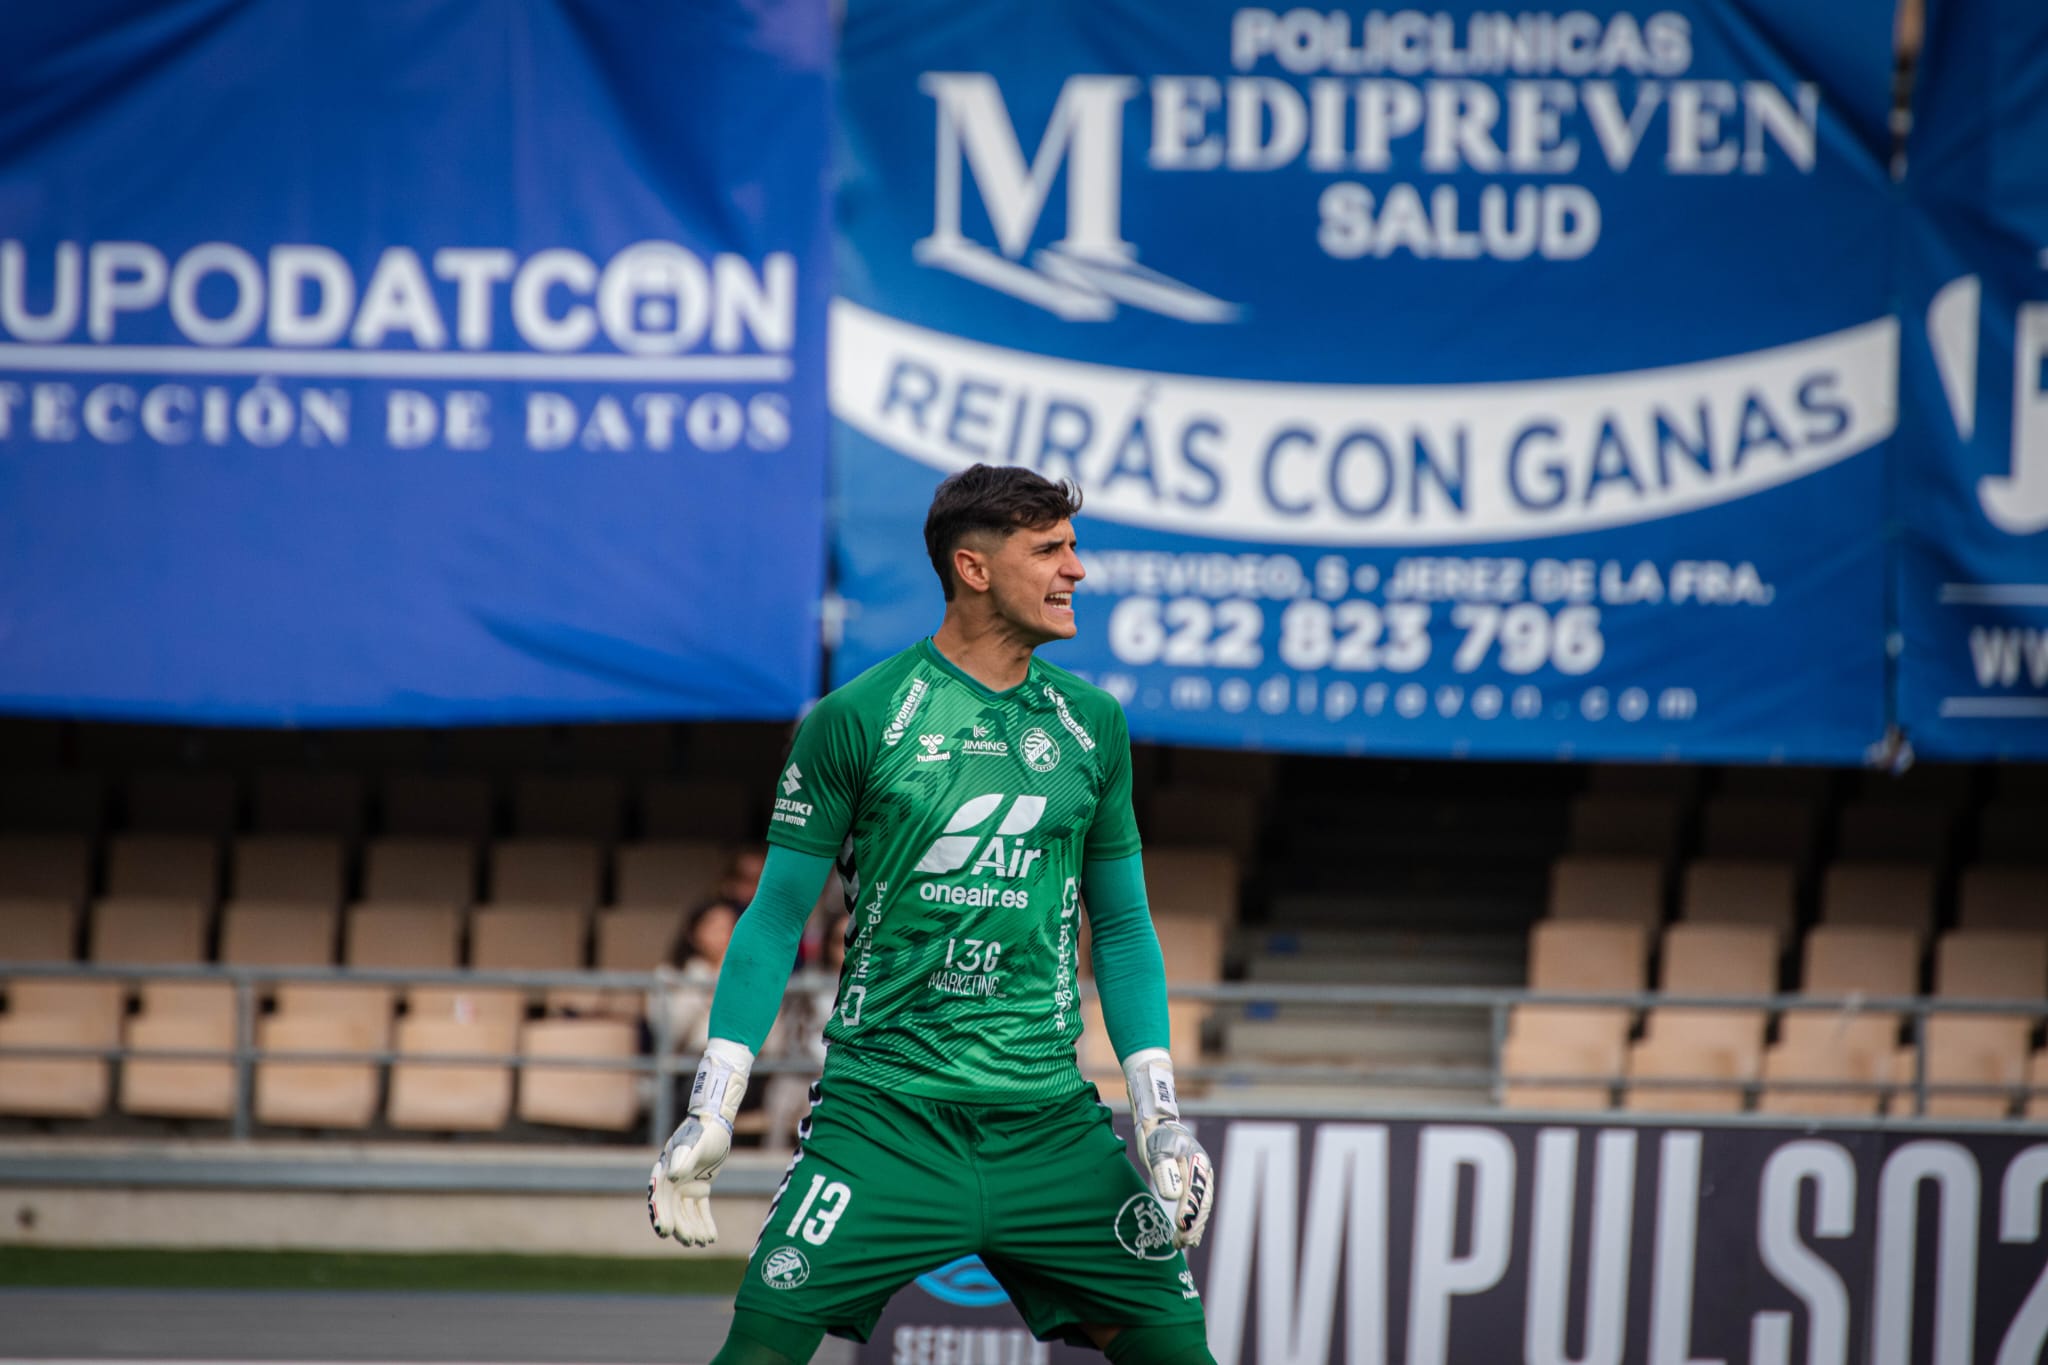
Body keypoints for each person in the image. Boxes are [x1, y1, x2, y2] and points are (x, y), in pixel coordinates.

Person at [648, 465, 1217, 1365]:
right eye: (1051, 549)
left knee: (1179, 1351)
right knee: (756, 1348)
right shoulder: (857, 718)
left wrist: (1160, 1116)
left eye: (1073, 546)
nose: (1079, 569)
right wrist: (714, 1104)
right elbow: (771, 918)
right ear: (974, 568)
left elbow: (1124, 928)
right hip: (882, 1123)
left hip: (1051, 1131)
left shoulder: (1092, 725)